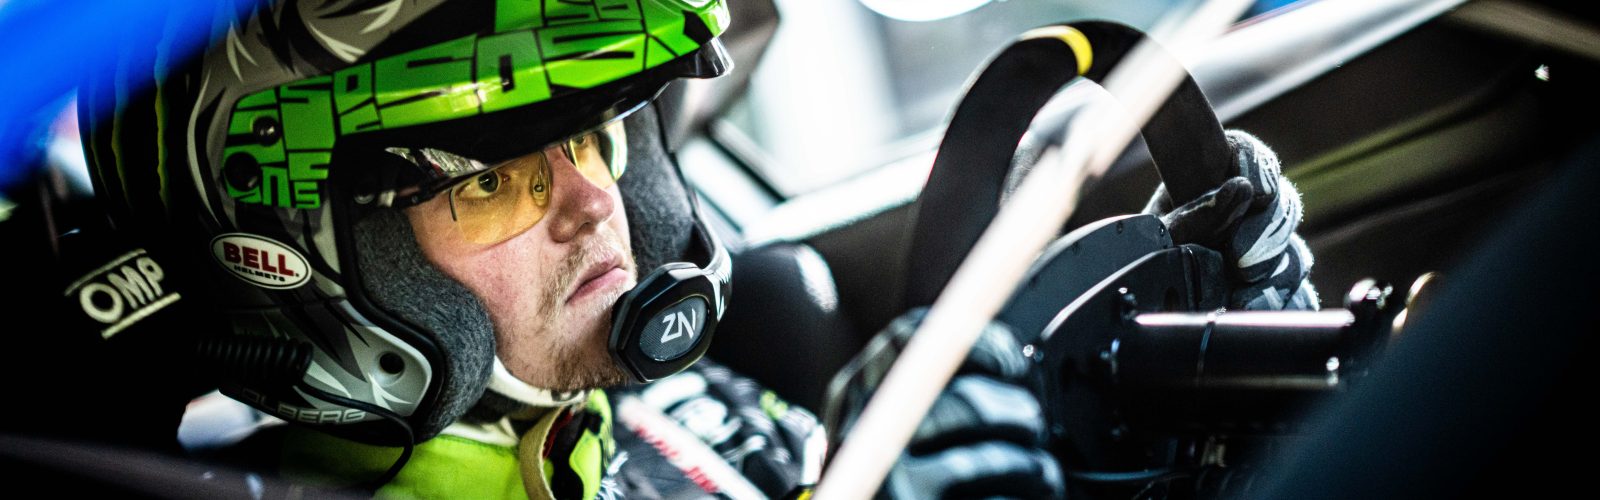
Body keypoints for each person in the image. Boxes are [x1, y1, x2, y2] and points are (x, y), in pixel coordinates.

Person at [67, 0, 1315, 498]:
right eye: (490, 181)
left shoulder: (688, 414)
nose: (593, 205)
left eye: (596, 137)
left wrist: (1221, 414)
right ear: (301, 252)